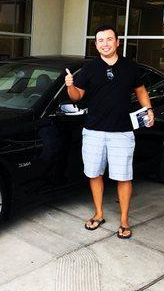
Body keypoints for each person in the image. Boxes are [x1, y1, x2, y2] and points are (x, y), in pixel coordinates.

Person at [65, 25, 154, 239]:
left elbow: (141, 90)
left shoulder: (130, 67)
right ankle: (99, 214)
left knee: (123, 177)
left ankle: (124, 221)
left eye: (109, 39)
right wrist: (70, 85)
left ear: (118, 42)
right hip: (94, 131)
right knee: (94, 174)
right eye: (100, 40)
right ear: (96, 45)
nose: (105, 43)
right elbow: (77, 96)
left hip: (122, 132)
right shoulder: (89, 69)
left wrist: (149, 109)